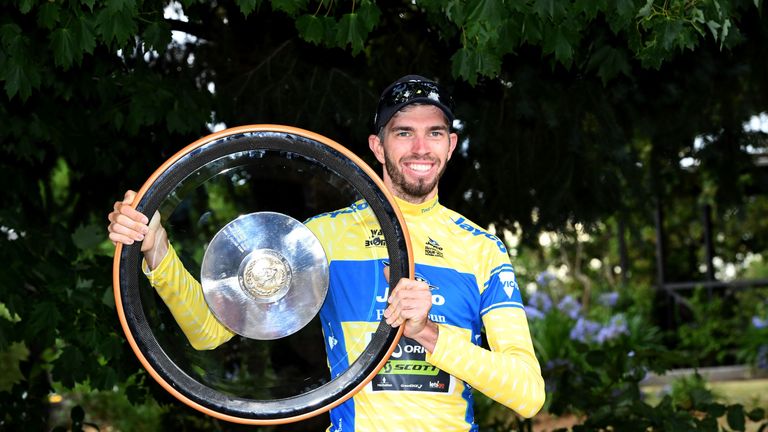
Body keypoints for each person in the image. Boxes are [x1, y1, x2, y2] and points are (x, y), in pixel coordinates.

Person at [108, 75, 545, 431]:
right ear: (377, 147)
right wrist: (155, 246)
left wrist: (429, 334)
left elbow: (528, 394)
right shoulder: (324, 237)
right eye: (403, 133)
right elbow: (210, 332)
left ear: (450, 145)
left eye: (434, 133)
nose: (420, 148)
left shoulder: (482, 249)